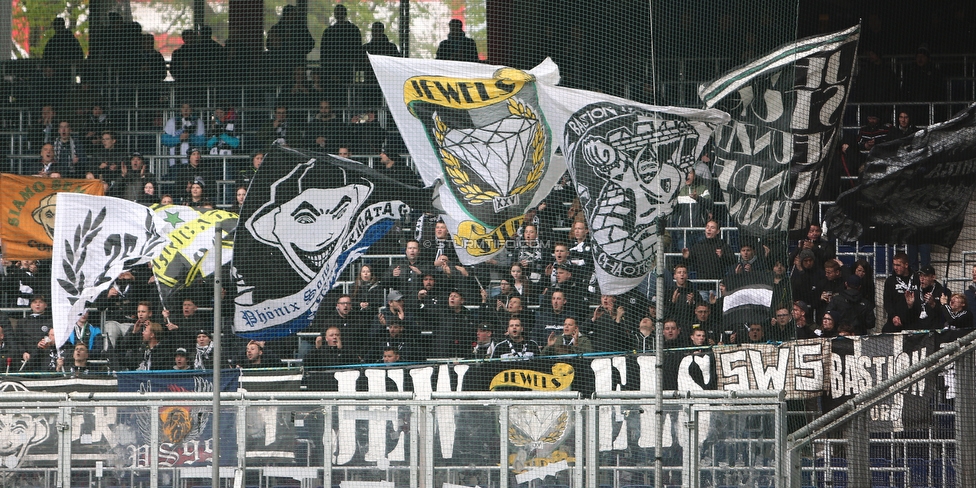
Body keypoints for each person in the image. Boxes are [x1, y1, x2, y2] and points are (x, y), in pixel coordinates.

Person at [319, 4, 363, 103]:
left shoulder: (352, 30)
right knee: (334, 96)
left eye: (340, 12)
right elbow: (324, 54)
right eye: (337, 13)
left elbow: (358, 51)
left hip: (347, 70)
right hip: (332, 71)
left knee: (346, 94)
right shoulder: (329, 32)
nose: (339, 15)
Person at [882, 252, 918, 333]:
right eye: (894, 265)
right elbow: (887, 302)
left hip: (913, 322)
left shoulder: (916, 278)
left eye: (898, 265)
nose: (895, 267)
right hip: (895, 322)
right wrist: (893, 316)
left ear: (906, 265)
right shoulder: (890, 281)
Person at [906, 265, 950, 330]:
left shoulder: (943, 292)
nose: (922, 279)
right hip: (918, 331)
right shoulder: (915, 293)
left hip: (936, 331)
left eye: (925, 276)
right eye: (920, 276)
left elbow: (946, 316)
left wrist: (933, 305)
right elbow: (911, 318)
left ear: (933, 277)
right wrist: (910, 306)